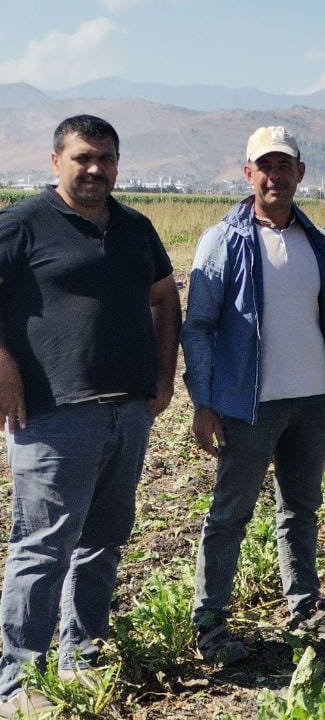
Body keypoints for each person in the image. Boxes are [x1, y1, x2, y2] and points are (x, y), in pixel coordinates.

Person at [181, 126, 325, 666]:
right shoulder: (223, 241)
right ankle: (209, 621)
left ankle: (305, 608)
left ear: (300, 173)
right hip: (249, 404)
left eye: (284, 166)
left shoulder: (316, 241)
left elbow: (323, 316)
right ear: (248, 174)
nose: (274, 176)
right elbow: (200, 326)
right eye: (264, 166)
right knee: (230, 513)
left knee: (301, 508)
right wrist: (204, 402)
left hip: (312, 398)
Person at [0, 115, 180, 715]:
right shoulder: (23, 223)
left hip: (127, 412)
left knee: (103, 541)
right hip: (53, 415)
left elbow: (164, 297)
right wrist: (3, 367)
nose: (96, 169)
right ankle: (19, 681)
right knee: (42, 547)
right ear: (56, 161)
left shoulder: (135, 228)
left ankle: (83, 659)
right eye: (83, 157)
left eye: (106, 158)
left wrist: (163, 374)